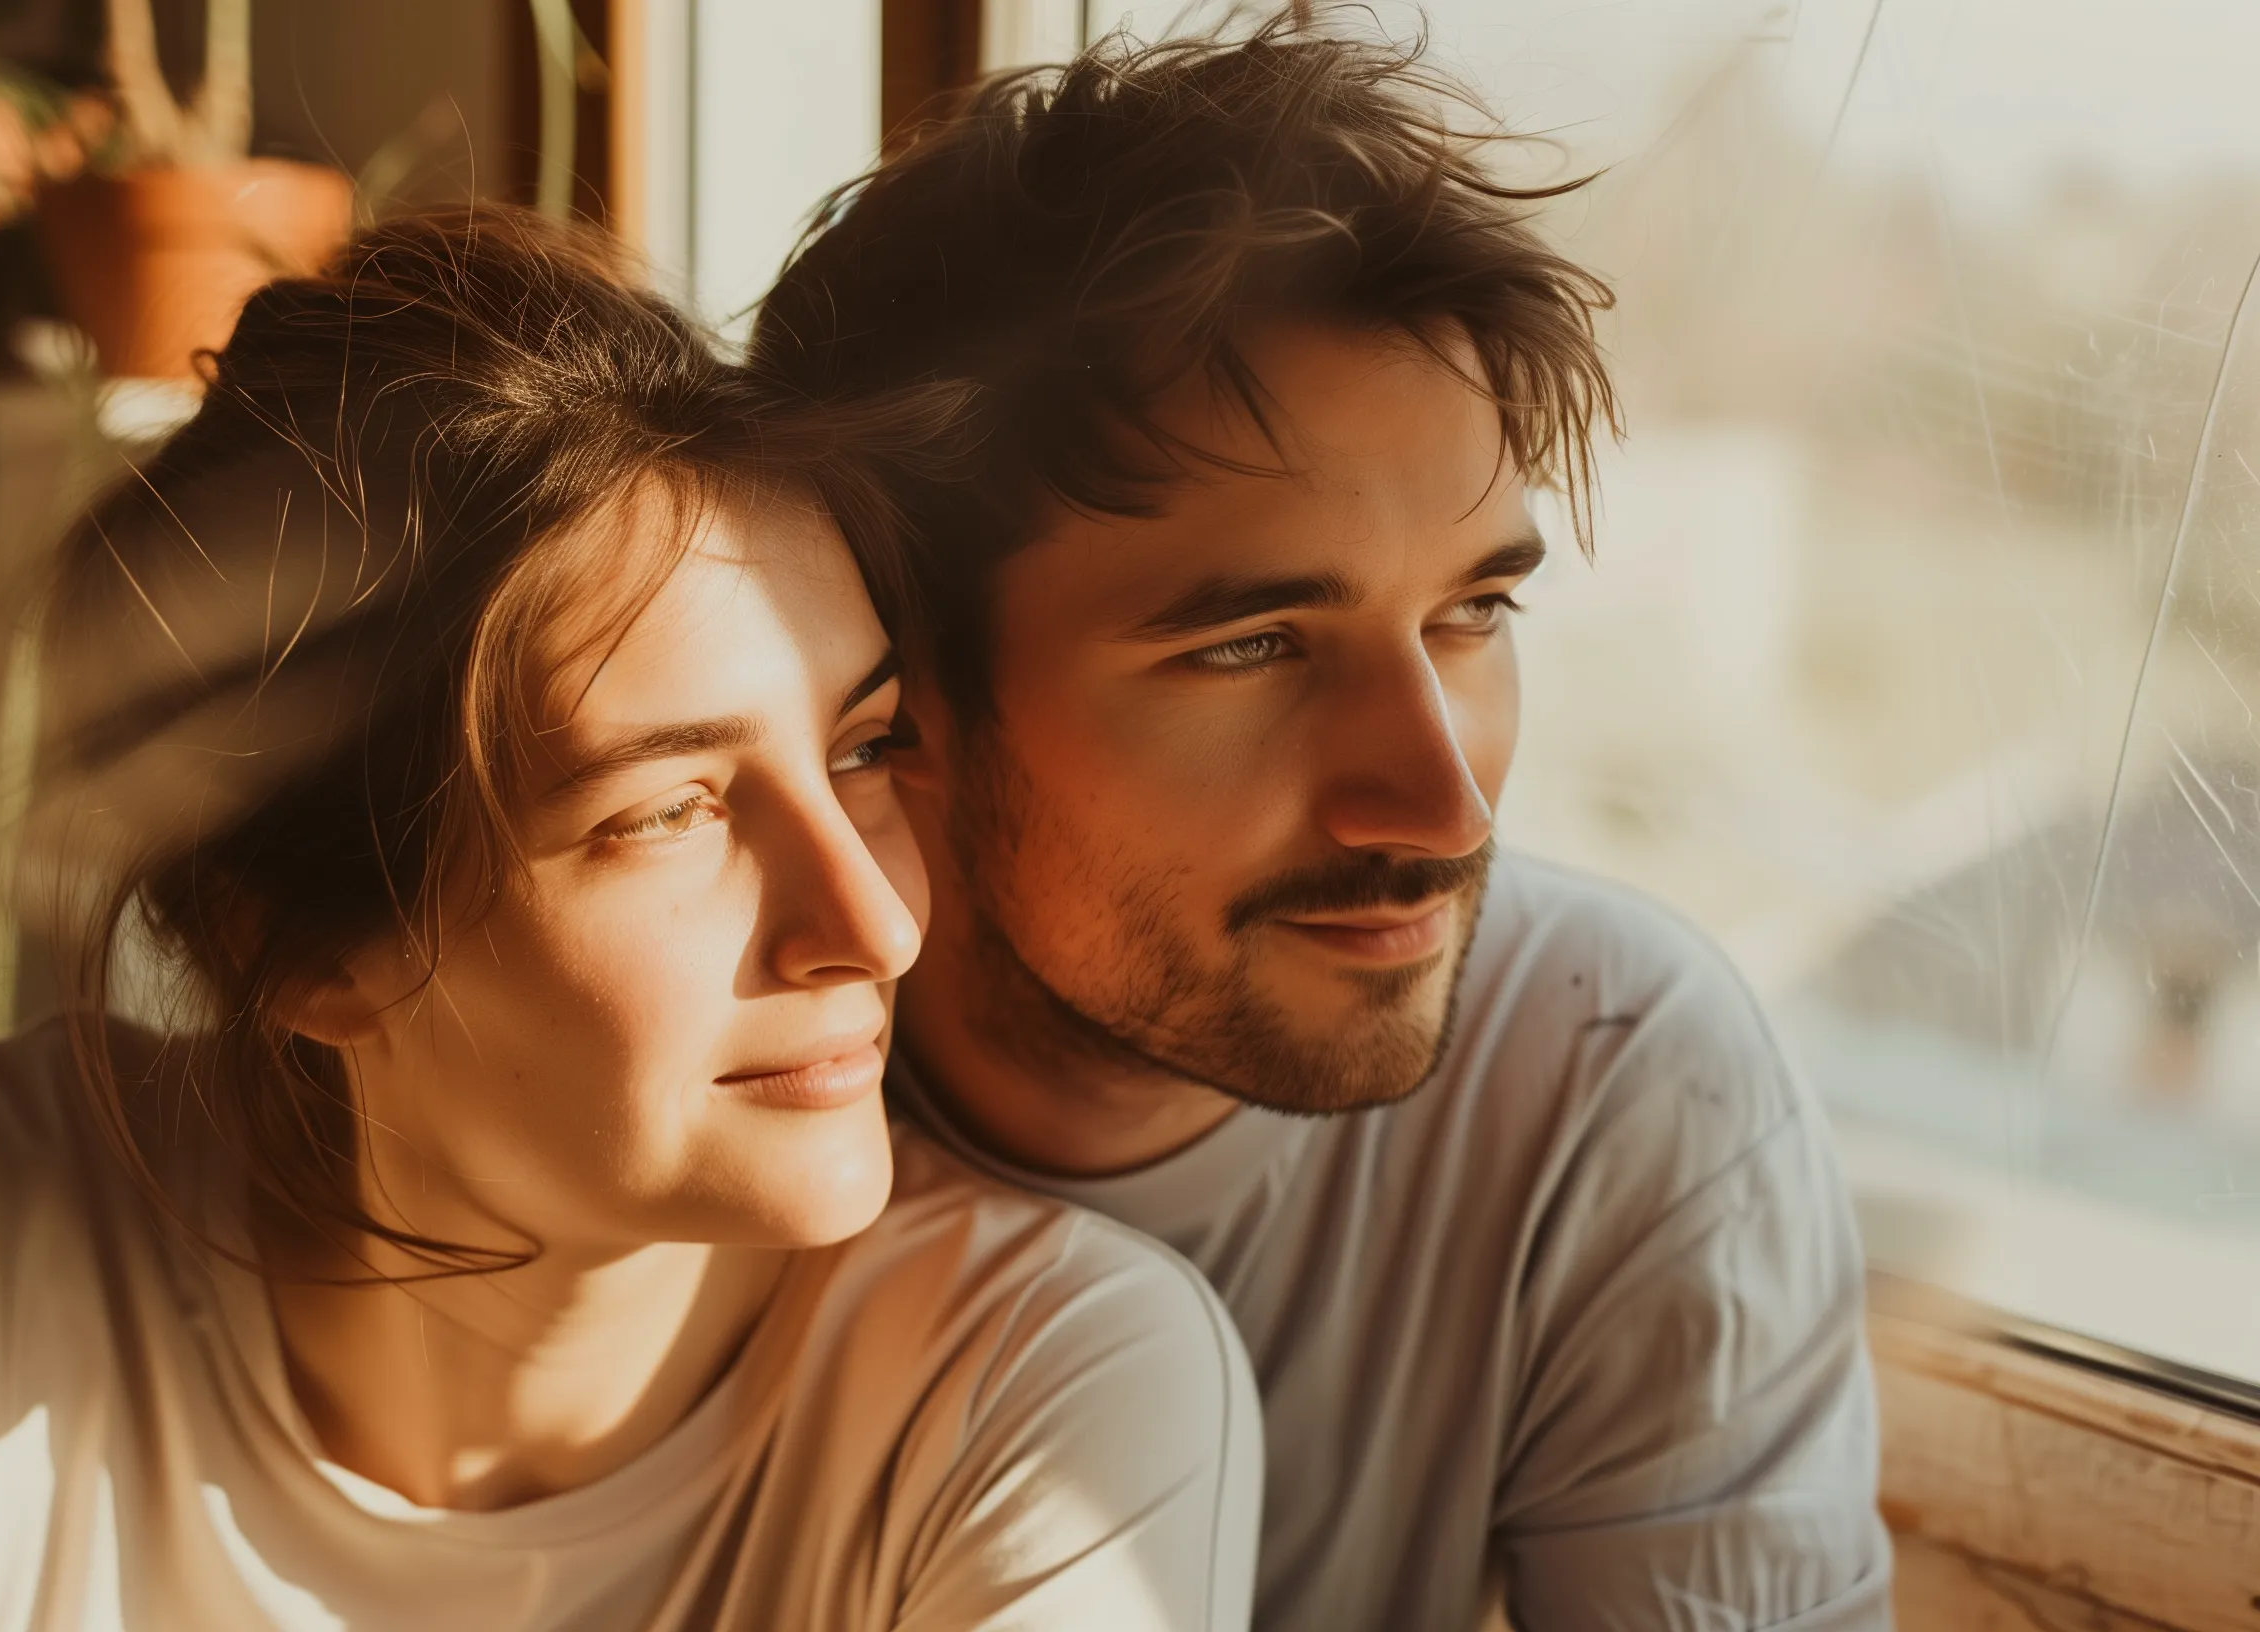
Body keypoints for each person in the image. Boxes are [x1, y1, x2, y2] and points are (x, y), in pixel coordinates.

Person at [0, 207, 1259, 1631]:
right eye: (668, 809)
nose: (871, 918)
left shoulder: (1046, 1397)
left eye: (864, 746)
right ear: (294, 945)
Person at [753, 18, 1892, 1632]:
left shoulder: (1605, 1072)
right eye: (1252, 644)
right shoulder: (691, 1099)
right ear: (898, 698)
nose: (1443, 800)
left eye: (1473, 615)